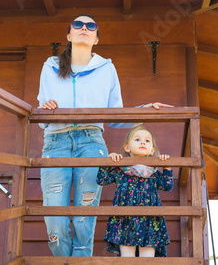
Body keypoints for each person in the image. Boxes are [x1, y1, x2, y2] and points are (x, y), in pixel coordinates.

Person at [37, 13, 173, 257]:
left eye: (91, 26)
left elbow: (115, 115)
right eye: (78, 25)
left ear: (96, 39)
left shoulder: (106, 68)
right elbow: (41, 113)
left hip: (91, 143)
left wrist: (145, 111)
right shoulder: (49, 67)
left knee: (84, 217)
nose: (84, 28)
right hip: (55, 142)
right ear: (69, 35)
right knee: (54, 218)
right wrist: (44, 109)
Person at [96, 125, 174, 257]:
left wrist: (167, 166)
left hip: (150, 220)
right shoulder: (121, 169)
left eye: (147, 141)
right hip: (125, 219)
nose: (143, 142)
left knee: (148, 259)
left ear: (152, 150)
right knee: (127, 259)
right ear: (127, 147)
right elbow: (101, 179)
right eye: (137, 139)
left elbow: (167, 186)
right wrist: (108, 161)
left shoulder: (153, 172)